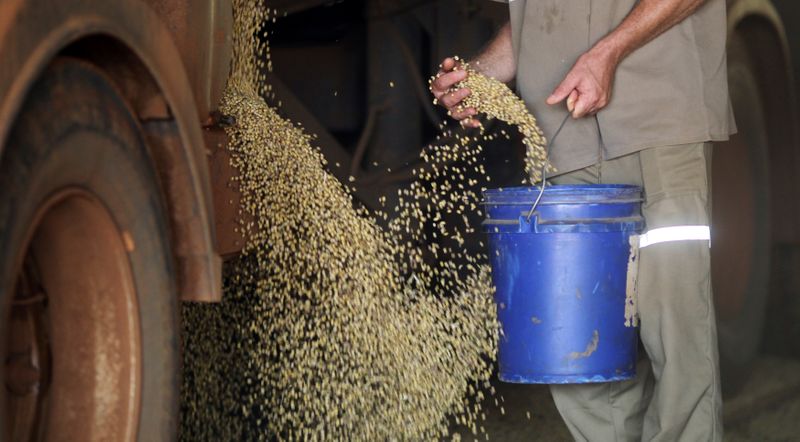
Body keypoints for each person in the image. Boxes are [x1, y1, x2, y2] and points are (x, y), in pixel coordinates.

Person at [431, 1, 735, 440]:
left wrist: (608, 52)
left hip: (660, 122)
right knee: (578, 348)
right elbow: (534, 16)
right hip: (565, 133)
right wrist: (478, 75)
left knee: (676, 329)